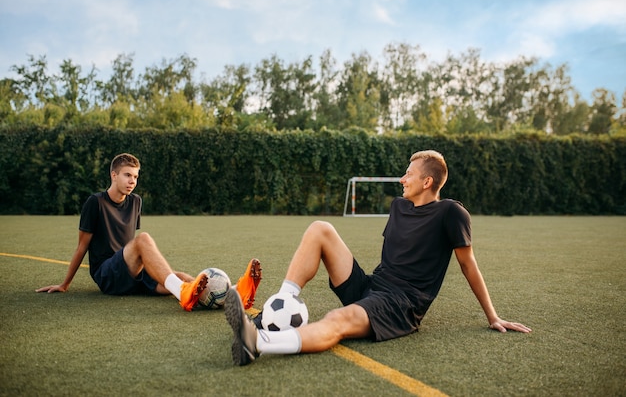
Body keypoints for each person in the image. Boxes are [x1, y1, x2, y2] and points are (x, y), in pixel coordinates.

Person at [225, 149, 531, 365]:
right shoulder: (399, 206)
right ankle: (273, 314)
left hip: (400, 304)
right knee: (321, 228)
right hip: (372, 286)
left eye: (408, 174)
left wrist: (493, 316)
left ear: (427, 182)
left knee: (337, 319)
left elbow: (468, 265)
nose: (402, 179)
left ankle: (259, 343)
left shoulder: (451, 212)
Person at [36, 153, 262, 311]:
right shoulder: (95, 203)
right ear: (113, 175)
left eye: (135, 176)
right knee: (143, 240)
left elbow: (131, 247)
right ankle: (184, 294)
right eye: (127, 175)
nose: (132, 181)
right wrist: (65, 284)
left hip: (131, 271)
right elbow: (82, 246)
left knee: (181, 277)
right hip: (108, 274)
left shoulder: (135, 201)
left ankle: (233, 296)